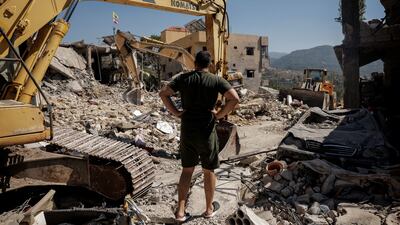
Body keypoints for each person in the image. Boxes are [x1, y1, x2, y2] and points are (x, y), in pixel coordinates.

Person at [159, 51, 240, 222]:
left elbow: (163, 93)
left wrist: (176, 113)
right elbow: (234, 99)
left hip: (188, 129)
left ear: (194, 63)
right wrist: (218, 115)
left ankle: (180, 212)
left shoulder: (183, 78)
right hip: (207, 130)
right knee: (208, 170)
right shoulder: (216, 80)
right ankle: (209, 209)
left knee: (187, 170)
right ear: (209, 64)